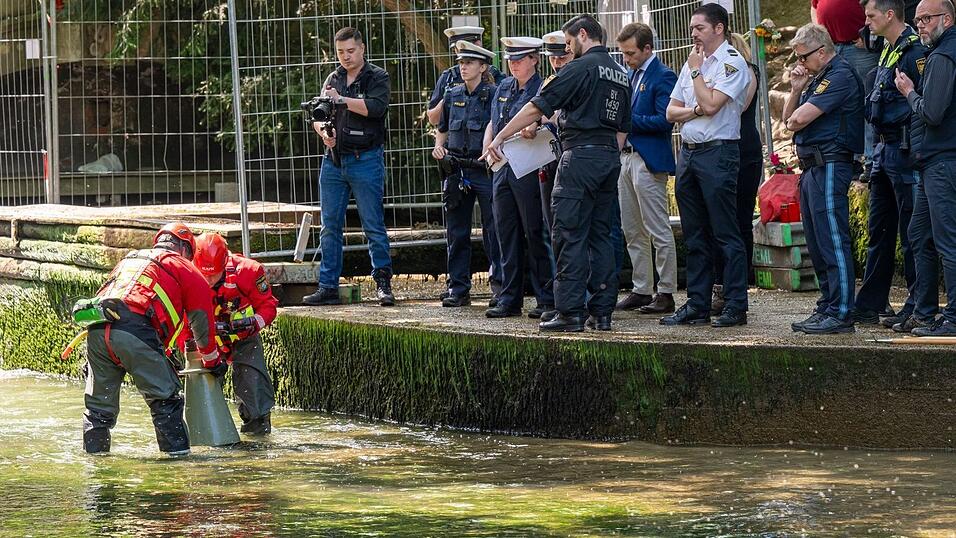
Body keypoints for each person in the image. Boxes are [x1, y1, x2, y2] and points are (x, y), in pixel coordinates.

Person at [485, 15, 631, 332]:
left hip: (578, 158)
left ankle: (569, 312)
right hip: (608, 158)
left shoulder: (579, 68)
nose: (566, 49)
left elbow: (536, 108)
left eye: (567, 43)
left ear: (582, 35)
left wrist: (499, 136)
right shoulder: (620, 73)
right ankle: (602, 313)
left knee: (568, 233)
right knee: (601, 235)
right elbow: (622, 128)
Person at [82, 222, 222, 456]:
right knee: (165, 401)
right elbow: (201, 322)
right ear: (186, 249)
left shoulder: (130, 260)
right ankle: (178, 467)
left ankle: (95, 463)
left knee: (98, 409)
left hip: (96, 331)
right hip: (135, 332)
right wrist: (212, 360)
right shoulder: (185, 268)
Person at [663, 3, 751, 328]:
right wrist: (696, 110)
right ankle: (697, 304)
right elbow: (671, 112)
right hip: (688, 151)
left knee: (725, 232)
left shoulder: (731, 63)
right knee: (695, 233)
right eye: (691, 28)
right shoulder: (692, 63)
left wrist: (699, 78)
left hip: (718, 153)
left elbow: (713, 104)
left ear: (719, 28)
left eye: (699, 27)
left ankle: (735, 304)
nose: (693, 33)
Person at [302, 27, 395, 307]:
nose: (345, 57)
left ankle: (383, 283)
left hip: (366, 160)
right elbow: (319, 113)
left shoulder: (377, 77)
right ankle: (328, 286)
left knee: (373, 225)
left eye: (351, 51)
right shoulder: (333, 78)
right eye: (340, 52)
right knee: (329, 226)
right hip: (333, 161)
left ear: (362, 48)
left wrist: (341, 100)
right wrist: (323, 132)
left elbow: (376, 108)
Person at [784, 23, 865, 334]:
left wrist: (795, 116)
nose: (799, 64)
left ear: (821, 52)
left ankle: (843, 311)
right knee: (817, 243)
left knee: (832, 238)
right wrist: (794, 89)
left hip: (831, 164)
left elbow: (798, 119)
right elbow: (787, 118)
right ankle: (828, 304)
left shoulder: (840, 75)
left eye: (802, 58)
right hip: (811, 168)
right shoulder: (816, 77)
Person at [853, 0, 926, 328]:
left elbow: (921, 102)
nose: (866, 23)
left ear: (889, 14)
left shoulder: (913, 51)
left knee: (912, 231)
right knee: (878, 230)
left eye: (870, 16)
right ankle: (871, 302)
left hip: (905, 147)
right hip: (883, 150)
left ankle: (916, 303)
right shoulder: (886, 49)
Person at [481, 36, 555, 320]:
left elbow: (552, 120)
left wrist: (537, 124)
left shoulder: (543, 87)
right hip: (502, 167)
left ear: (534, 59)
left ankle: (546, 297)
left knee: (536, 232)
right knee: (505, 233)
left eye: (520, 59)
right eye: (510, 59)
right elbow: (494, 121)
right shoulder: (503, 87)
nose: (513, 64)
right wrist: (489, 144)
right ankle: (509, 297)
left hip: (531, 167)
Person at [895, 0, 956, 336]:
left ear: (946, 19)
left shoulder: (944, 55)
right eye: (917, 19)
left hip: (943, 159)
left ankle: (953, 319)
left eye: (926, 19)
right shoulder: (941, 51)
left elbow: (931, 112)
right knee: (920, 235)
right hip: (934, 160)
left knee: (947, 241)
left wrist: (909, 92)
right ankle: (926, 311)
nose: (920, 25)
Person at [613, 22, 678, 316]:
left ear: (647, 49)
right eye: (624, 54)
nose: (626, 59)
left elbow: (664, 120)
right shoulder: (630, 74)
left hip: (647, 159)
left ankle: (666, 291)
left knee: (657, 229)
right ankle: (641, 288)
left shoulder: (663, 76)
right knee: (632, 229)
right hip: (626, 158)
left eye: (631, 53)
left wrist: (627, 122)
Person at [432, 41, 501, 307]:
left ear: (483, 67)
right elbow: (443, 126)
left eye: (469, 63)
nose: (463, 67)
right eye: (461, 63)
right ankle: (458, 288)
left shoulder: (495, 94)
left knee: (493, 231)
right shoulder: (452, 94)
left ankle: (499, 287)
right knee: (456, 232)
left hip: (484, 169)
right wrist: (439, 147)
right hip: (457, 169)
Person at [193, 233, 278, 434]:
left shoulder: (249, 271)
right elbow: (182, 319)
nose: (208, 279)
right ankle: (204, 436)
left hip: (244, 338)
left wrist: (253, 323)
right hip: (205, 340)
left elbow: (268, 306)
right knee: (201, 392)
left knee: (253, 388)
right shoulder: (187, 274)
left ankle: (258, 436)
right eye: (203, 274)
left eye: (213, 274)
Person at [711, 33, 762, 314]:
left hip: (744, 150)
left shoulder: (747, 70)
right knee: (719, 219)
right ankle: (720, 285)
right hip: (721, 148)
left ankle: (737, 287)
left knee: (740, 219)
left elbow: (735, 107)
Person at [812, 0, 880, 179]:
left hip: (858, 47)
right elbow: (814, 8)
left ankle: (871, 159)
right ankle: (850, 159)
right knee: (837, 105)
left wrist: (869, 34)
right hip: (830, 48)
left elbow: (876, 5)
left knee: (867, 102)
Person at [426, 26, 504, 127]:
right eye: (456, 48)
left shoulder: (496, 76)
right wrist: (450, 96)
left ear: (478, 45)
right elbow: (433, 119)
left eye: (465, 47)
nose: (459, 52)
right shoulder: (449, 77)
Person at [537, 30, 575, 232]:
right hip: (548, 158)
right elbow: (538, 115)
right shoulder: (548, 82)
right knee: (551, 221)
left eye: (562, 57)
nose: (557, 63)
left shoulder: (579, 78)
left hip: (573, 156)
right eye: (552, 58)